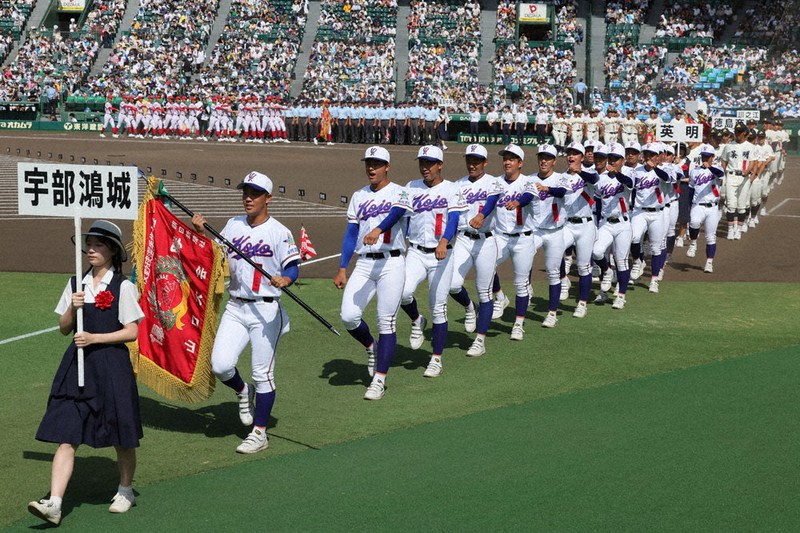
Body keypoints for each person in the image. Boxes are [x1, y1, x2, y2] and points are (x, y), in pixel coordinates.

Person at [28, 221, 145, 525]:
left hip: (112, 366)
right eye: (89, 244)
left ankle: (125, 490)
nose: (91, 249)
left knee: (122, 435)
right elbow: (64, 328)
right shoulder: (75, 283)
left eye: (99, 245)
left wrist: (95, 338)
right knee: (67, 434)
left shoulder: (123, 286)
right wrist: (73, 307)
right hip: (77, 365)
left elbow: (132, 332)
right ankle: (54, 503)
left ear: (113, 251)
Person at [191, 171, 300, 453]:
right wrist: (201, 233)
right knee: (220, 365)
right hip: (236, 306)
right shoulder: (233, 224)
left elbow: (293, 267)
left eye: (254, 194)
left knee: (263, 373)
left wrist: (286, 279)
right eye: (245, 193)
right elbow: (215, 256)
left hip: (266, 309)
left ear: (268, 198)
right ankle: (243, 390)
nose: (248, 198)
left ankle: (260, 434)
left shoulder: (280, 232)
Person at [333, 146, 411, 400]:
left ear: (387, 167)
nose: (371, 168)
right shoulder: (359, 195)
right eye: (368, 163)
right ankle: (371, 346)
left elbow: (397, 213)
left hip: (392, 262)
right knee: (349, 317)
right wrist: (343, 267)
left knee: (385, 321)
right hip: (365, 263)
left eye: (376, 164)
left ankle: (379, 379)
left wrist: (378, 229)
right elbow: (351, 233)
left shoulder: (400, 191)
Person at [400, 145, 467, 378]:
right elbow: (402, 217)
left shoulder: (452, 189)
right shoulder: (411, 187)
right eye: (422, 163)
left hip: (442, 254)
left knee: (438, 307)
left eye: (429, 163)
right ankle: (417, 320)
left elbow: (454, 218)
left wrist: (444, 241)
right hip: (416, 252)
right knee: (402, 293)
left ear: (440, 165)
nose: (425, 167)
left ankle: (436, 359)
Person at [449, 144, 503, 357]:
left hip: (486, 241)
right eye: (469, 160)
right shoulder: (458, 185)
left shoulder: (493, 182)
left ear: (485, 162)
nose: (472, 165)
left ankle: (480, 341)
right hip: (463, 239)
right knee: (452, 285)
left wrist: (481, 216)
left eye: (476, 161)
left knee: (485, 292)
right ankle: (470, 307)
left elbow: (491, 202)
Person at [686, 144, 724, 273]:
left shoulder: (717, 168)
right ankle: (693, 243)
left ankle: (709, 262)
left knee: (710, 237)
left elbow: (720, 174)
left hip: (713, 207)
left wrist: (710, 168)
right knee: (694, 223)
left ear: (713, 157)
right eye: (703, 156)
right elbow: (691, 189)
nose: (705, 159)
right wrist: (689, 204)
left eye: (707, 157)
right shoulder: (695, 171)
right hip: (698, 204)